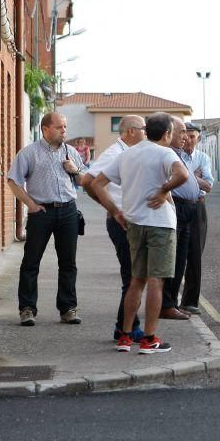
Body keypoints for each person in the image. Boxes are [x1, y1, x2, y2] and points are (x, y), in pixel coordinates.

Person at [92, 111, 188, 354]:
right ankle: (149, 338)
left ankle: (124, 336)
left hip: (133, 222)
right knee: (156, 281)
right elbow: (183, 175)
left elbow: (95, 183)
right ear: (167, 133)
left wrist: (115, 211)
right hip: (160, 223)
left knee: (136, 281)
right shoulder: (165, 152)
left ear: (146, 131)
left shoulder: (127, 154)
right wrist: (164, 190)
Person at [7, 112, 87, 326]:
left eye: (65, 127)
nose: (64, 131)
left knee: (68, 263)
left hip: (69, 211)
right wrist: (31, 205)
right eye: (60, 127)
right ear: (45, 128)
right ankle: (27, 309)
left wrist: (75, 169)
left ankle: (68, 308)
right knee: (31, 262)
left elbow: (83, 180)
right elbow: (13, 180)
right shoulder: (29, 153)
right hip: (42, 212)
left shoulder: (71, 152)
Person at [80, 115, 146, 341]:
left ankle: (127, 325)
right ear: (130, 132)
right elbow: (87, 182)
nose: (145, 133)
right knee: (133, 276)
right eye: (142, 129)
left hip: (128, 219)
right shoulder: (114, 153)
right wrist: (112, 208)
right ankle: (125, 328)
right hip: (121, 222)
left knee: (135, 275)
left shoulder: (129, 152)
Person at [159, 117, 199, 321]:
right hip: (178, 208)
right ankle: (166, 304)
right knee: (172, 260)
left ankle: (172, 302)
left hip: (189, 209)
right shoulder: (166, 155)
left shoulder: (178, 154)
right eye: (181, 131)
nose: (185, 136)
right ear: (168, 132)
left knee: (181, 260)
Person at [179, 122, 214, 315]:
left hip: (197, 206)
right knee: (175, 254)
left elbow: (208, 185)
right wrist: (194, 177)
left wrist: (186, 178)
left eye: (193, 136)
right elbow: (171, 178)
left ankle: (190, 301)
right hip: (176, 205)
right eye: (186, 135)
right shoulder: (173, 155)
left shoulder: (203, 157)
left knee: (195, 254)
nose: (189, 140)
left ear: (198, 138)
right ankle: (168, 300)